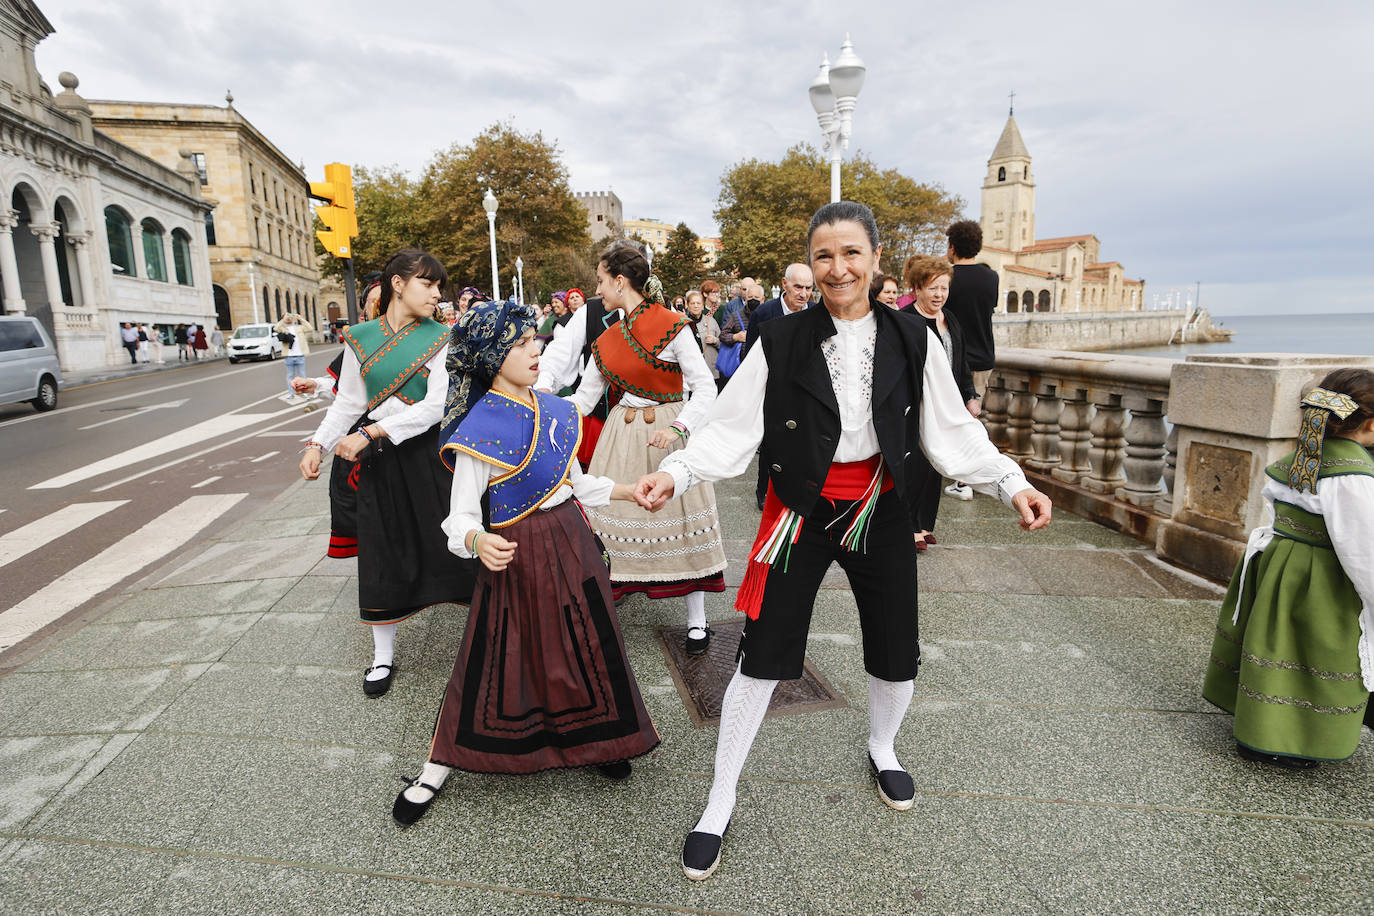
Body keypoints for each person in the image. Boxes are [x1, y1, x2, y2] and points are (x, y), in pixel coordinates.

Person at [632, 201, 1052, 881]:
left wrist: (1012, 483)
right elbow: (732, 427)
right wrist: (676, 473)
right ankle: (720, 797)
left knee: (896, 651)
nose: (838, 267)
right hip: (798, 508)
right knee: (762, 657)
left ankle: (883, 747)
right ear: (810, 265)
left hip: (883, 507)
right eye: (824, 255)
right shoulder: (781, 340)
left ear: (876, 259)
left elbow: (951, 431)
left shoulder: (915, 339)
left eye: (851, 252)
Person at [390, 300, 661, 827]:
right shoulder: (479, 429)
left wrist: (631, 490)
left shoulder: (557, 410)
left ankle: (599, 742)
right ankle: (439, 764)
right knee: (492, 654)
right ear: (491, 356)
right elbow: (459, 516)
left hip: (573, 539)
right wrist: (475, 540)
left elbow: (575, 486)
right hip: (515, 551)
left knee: (587, 642)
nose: (535, 349)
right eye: (520, 343)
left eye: (533, 339)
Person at [300, 250, 476, 698]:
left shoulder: (445, 338)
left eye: (439, 286)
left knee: (454, 543)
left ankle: (483, 641)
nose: (438, 294)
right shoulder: (358, 337)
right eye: (428, 284)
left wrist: (375, 430)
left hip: (430, 456)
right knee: (381, 551)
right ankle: (382, 656)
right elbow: (349, 402)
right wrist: (317, 444)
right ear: (398, 284)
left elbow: (438, 405)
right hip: (379, 459)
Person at [1203, 369, 1374, 768]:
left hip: (1282, 563)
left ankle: (1261, 730)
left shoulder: (1305, 455)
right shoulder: (1352, 476)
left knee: (1277, 645)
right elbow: (1363, 548)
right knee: (1315, 654)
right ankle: (1296, 740)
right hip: (1323, 577)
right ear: (1370, 424)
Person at [564, 240, 727, 655]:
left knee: (683, 519)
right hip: (622, 434)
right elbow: (584, 400)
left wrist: (679, 430)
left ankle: (696, 619)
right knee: (611, 519)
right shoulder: (607, 339)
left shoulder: (674, 325)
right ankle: (605, 611)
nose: (597, 289)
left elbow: (705, 388)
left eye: (601, 280)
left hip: (669, 435)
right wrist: (538, 410)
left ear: (620, 282)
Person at [900, 256, 978, 550]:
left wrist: (970, 395)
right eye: (933, 288)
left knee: (936, 465)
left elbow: (962, 363)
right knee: (916, 465)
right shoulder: (906, 320)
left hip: (947, 405)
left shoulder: (950, 319)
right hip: (917, 406)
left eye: (943, 288)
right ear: (918, 288)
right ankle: (908, 527)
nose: (939, 295)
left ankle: (923, 524)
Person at [743, 264, 815, 509]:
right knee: (772, 443)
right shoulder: (764, 313)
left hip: (807, 391)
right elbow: (750, 354)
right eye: (798, 287)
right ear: (785, 285)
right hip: (773, 389)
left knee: (804, 443)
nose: (803, 293)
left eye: (808, 288)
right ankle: (764, 491)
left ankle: (800, 490)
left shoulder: (817, 312)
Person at [942, 220, 999, 501]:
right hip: (984, 357)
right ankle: (965, 478)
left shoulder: (948, 278)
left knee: (951, 417)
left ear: (952, 247)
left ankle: (962, 481)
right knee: (972, 417)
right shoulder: (991, 278)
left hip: (952, 357)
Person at [683, 288, 721, 384]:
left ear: (703, 306)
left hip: (710, 369)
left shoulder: (711, 321)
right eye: (692, 303)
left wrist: (715, 340)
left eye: (698, 303)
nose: (696, 306)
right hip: (691, 370)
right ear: (687, 305)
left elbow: (723, 344)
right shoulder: (683, 323)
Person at [274, 313, 314, 401]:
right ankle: (291, 393)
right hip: (289, 356)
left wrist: (300, 318)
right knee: (290, 376)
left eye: (290, 317)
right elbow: (276, 328)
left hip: (300, 355)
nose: (289, 318)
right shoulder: (283, 329)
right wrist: (283, 319)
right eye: (287, 317)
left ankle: (304, 393)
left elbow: (310, 328)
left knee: (302, 376)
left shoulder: (299, 327)